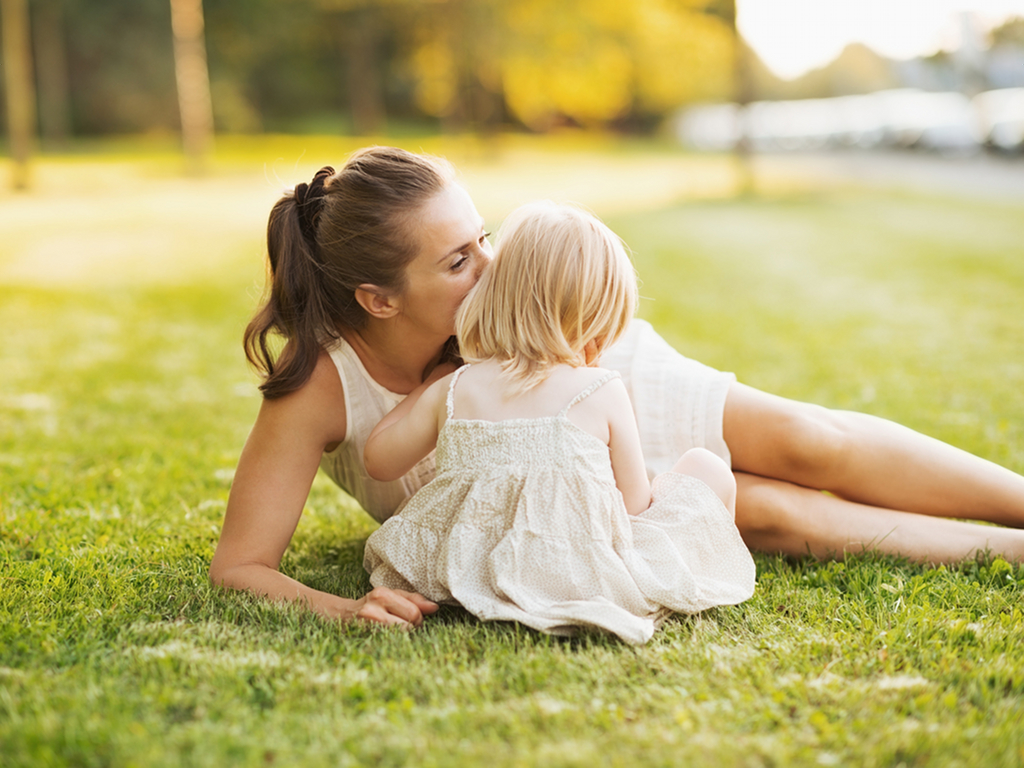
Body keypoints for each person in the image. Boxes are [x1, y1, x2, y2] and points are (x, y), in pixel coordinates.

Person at [209, 146, 1024, 630]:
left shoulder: (523, 312)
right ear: (379, 300)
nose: (496, 266)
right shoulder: (322, 386)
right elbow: (241, 565)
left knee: (810, 441)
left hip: (577, 370)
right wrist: (345, 609)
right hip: (558, 507)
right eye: (458, 261)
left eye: (485, 237)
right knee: (771, 512)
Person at [360, 201, 756, 644]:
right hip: (582, 574)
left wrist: (432, 383)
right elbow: (633, 507)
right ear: (591, 326)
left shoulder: (453, 388)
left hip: (469, 567)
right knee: (705, 467)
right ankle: (713, 564)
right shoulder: (600, 388)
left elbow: (379, 460)